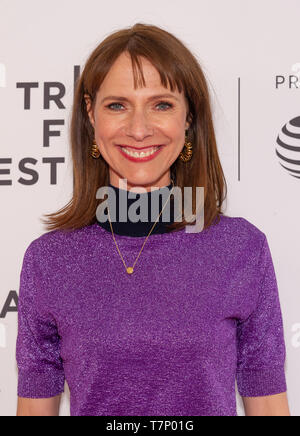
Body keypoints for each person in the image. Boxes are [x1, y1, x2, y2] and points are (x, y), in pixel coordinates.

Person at [16, 23, 290, 416]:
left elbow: (267, 406)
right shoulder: (49, 261)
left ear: (188, 116)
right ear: (91, 114)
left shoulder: (241, 249)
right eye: (117, 105)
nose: (139, 129)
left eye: (161, 104)